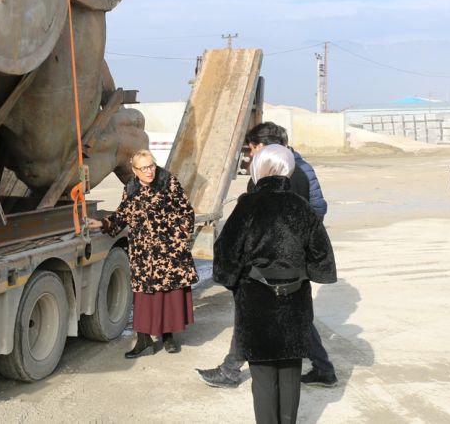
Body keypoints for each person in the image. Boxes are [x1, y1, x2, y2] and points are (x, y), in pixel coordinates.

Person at [198, 122, 337, 388]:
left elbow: (257, 226)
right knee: (298, 316)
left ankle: (231, 370)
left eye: (252, 149)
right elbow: (317, 210)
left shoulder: (273, 176)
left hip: (268, 266)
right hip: (293, 266)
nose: (251, 155)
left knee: (249, 317)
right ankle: (323, 368)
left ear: (264, 147)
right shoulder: (302, 167)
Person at [89, 150, 198, 357]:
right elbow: (123, 215)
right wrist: (103, 223)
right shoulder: (131, 188)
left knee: (167, 295)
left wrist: (179, 237)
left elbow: (186, 212)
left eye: (151, 166)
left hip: (168, 252)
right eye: (144, 168)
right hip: (142, 252)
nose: (149, 171)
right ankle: (144, 341)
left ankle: (168, 336)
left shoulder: (169, 183)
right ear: (135, 170)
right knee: (144, 298)